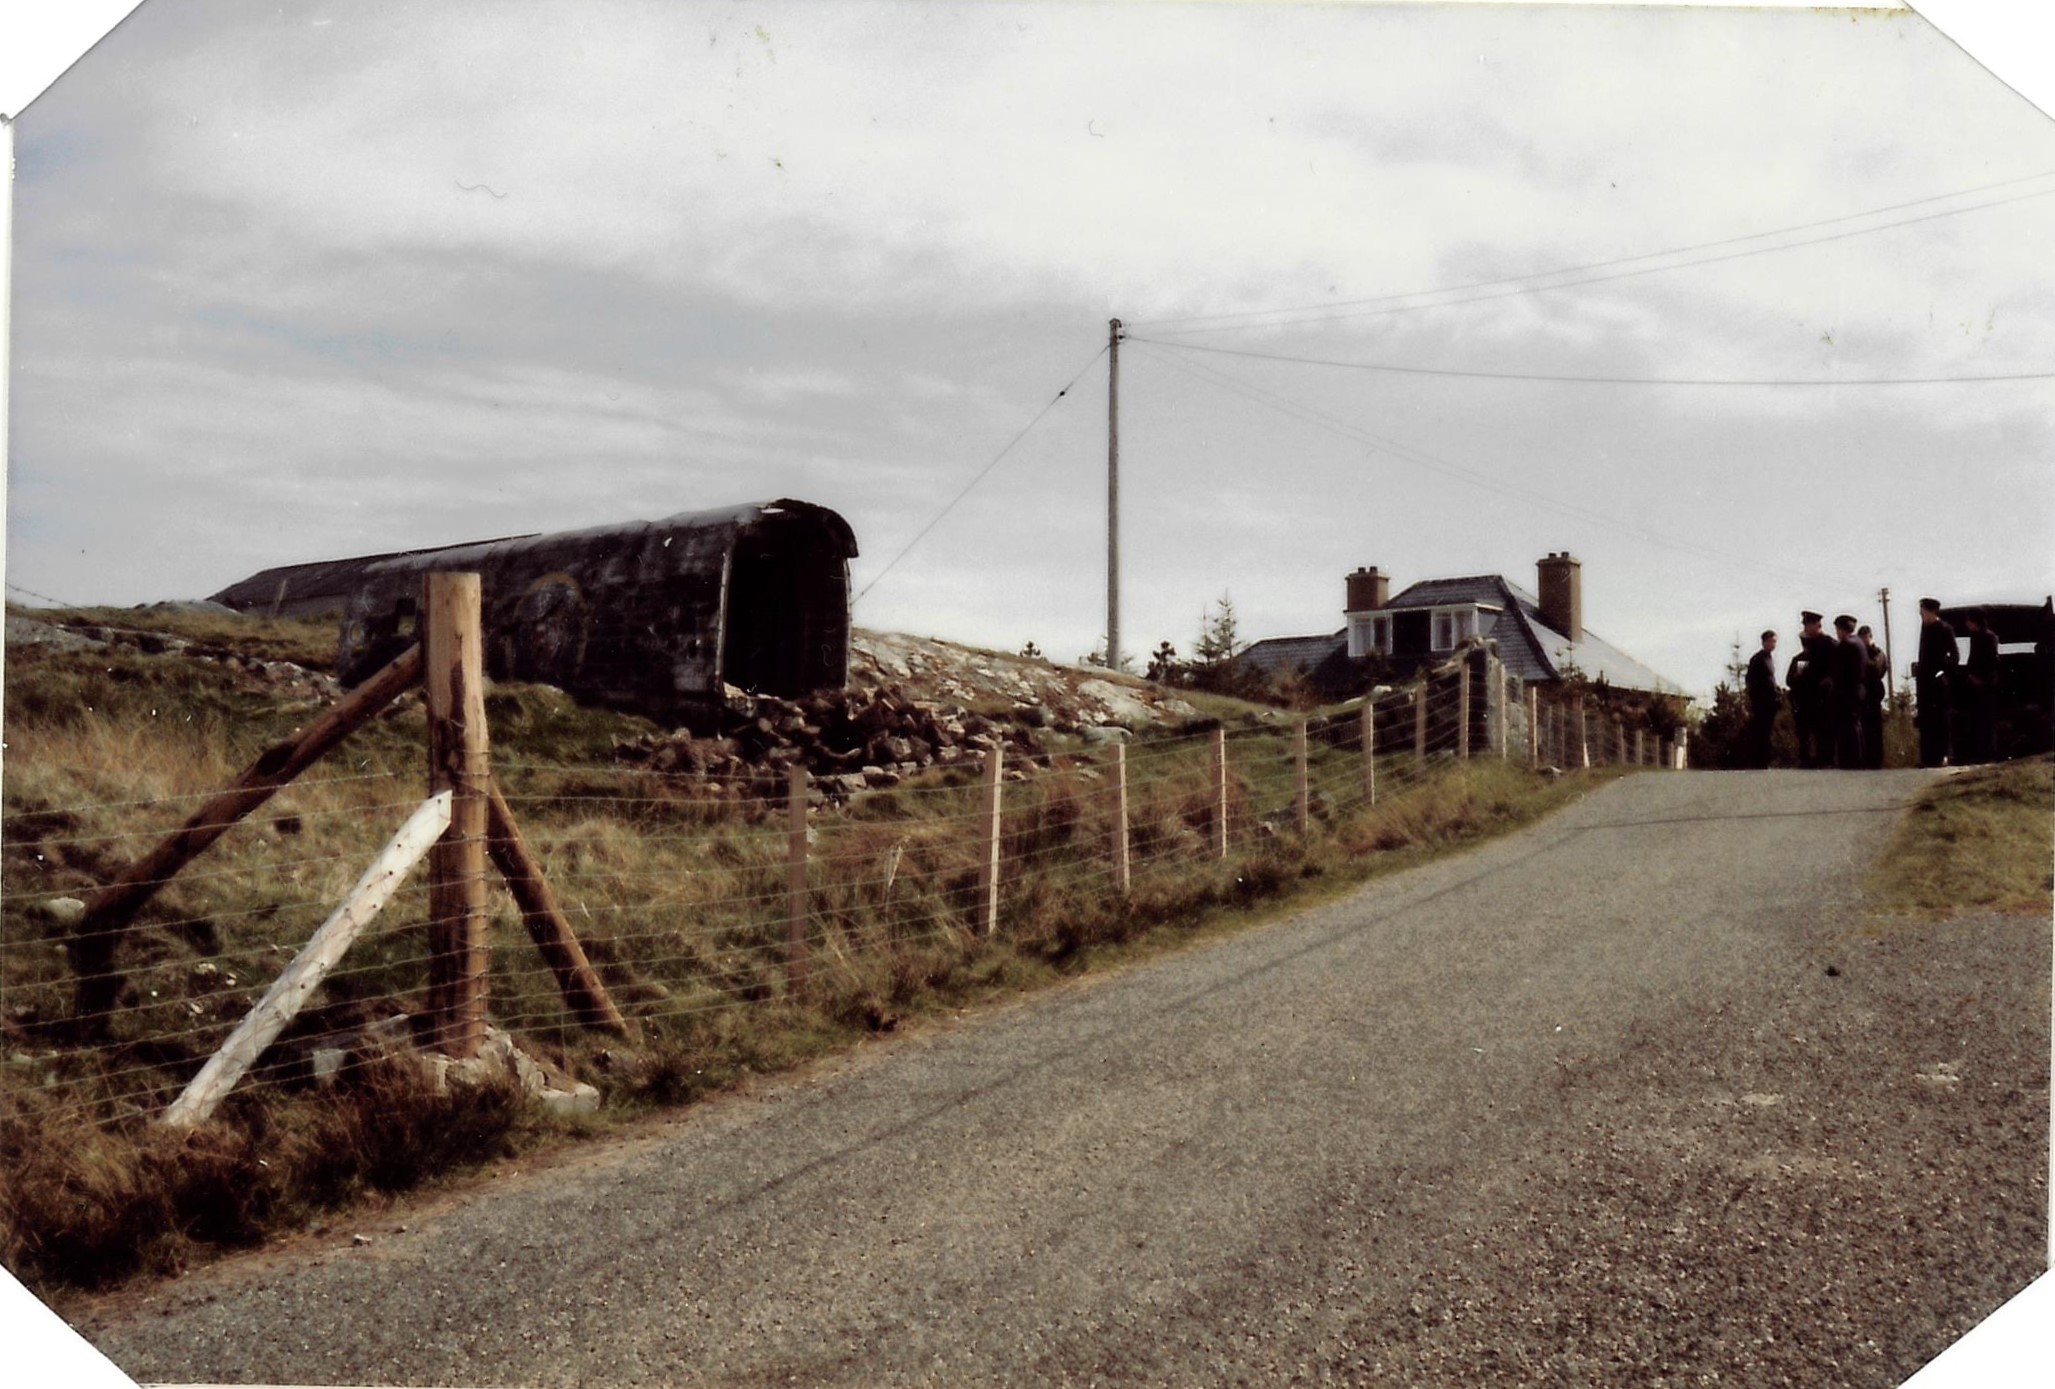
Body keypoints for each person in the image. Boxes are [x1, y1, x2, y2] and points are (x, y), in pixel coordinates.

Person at [1786, 611, 1836, 769]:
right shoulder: (1807, 651)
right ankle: (1813, 761)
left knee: (1825, 730)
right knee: (1810, 731)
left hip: (1825, 696)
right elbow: (1797, 675)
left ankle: (1827, 760)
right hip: (1808, 697)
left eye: (1807, 625)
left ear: (1817, 625)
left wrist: (1829, 681)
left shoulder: (1830, 644)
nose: (1805, 628)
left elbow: (1839, 668)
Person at [1911, 597, 1957, 767]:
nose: (1921, 614)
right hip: (1925, 682)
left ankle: (1943, 755)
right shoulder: (1925, 629)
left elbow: (1954, 655)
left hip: (1938, 682)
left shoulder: (1945, 629)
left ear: (1930, 611)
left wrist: (1943, 673)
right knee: (1926, 720)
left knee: (1941, 720)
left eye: (1923, 611)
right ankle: (1927, 757)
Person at [1959, 608, 2001, 764]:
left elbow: (1992, 661)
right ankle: (1979, 753)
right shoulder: (1975, 637)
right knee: (1977, 721)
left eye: (1969, 620)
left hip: (1986, 685)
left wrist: (1982, 679)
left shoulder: (1989, 637)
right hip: (1975, 685)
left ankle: (1988, 754)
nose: (1967, 624)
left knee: (1987, 721)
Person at [1831, 614, 1867, 769]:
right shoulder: (1859, 643)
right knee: (1855, 723)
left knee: (1848, 725)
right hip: (1858, 688)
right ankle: (1859, 757)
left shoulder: (1846, 645)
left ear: (1841, 629)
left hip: (1847, 690)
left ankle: (1850, 759)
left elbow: (1838, 670)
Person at [1743, 630, 1781, 768]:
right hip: (1761, 702)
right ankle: (1759, 761)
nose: (1773, 644)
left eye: (1774, 641)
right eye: (1771, 641)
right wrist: (1753, 698)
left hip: (1770, 701)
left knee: (1767, 731)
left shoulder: (1769, 659)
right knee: (1761, 731)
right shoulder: (1758, 659)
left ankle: (1764, 760)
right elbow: (1750, 680)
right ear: (1764, 642)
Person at [1857, 624, 1888, 768]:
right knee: (1863, 728)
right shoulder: (1860, 653)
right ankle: (1865, 759)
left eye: (1865, 637)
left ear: (1870, 637)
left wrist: (1862, 661)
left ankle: (1876, 760)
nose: (1864, 641)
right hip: (1862, 695)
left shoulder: (1877, 653)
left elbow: (1876, 669)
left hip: (1873, 694)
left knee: (1874, 729)